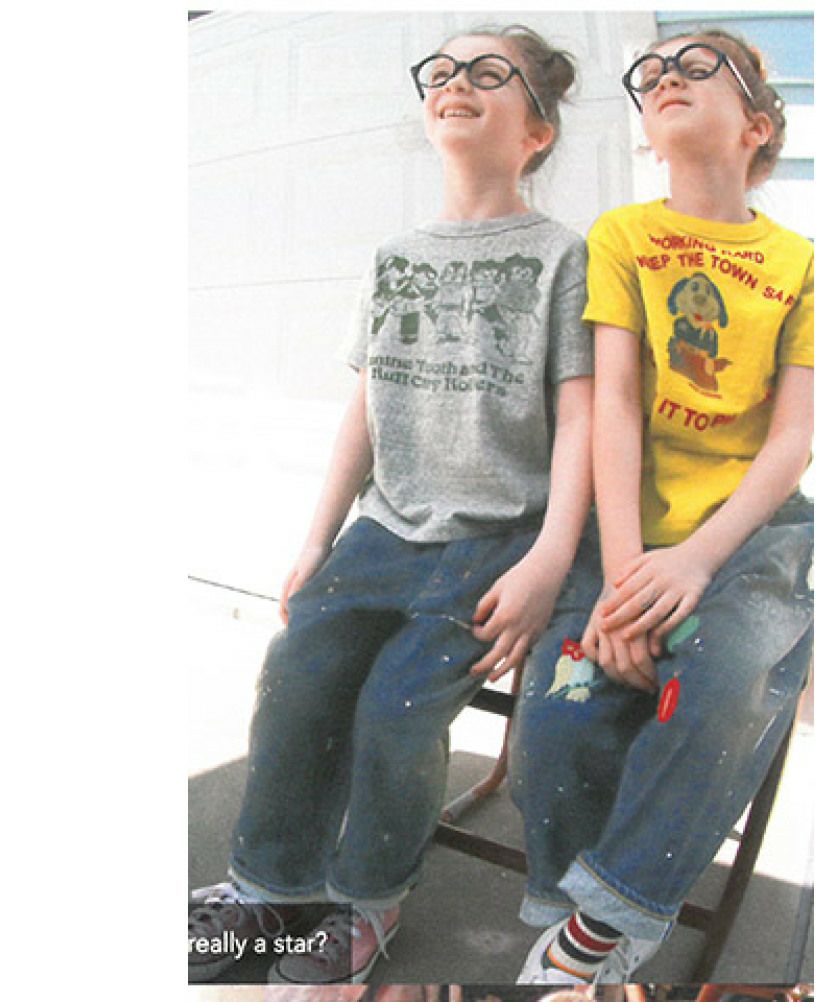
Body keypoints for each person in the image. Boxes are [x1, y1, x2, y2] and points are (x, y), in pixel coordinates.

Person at [188, 25, 593, 986]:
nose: (457, 81)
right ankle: (269, 889)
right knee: (294, 679)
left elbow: (583, 417)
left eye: (489, 73)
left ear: (536, 132)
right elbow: (364, 409)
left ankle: (367, 899)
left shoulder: (562, 255)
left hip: (497, 540)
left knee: (396, 710)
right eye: (442, 70)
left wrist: (549, 560)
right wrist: (315, 540)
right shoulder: (396, 255)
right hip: (383, 531)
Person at [510, 28, 814, 984]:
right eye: (653, 73)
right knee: (557, 713)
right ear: (646, 128)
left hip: (751, 537)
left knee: (721, 692)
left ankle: (600, 930)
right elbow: (613, 404)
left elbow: (793, 439)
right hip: (623, 528)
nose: (666, 76)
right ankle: (571, 909)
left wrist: (695, 560)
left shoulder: (803, 262)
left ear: (757, 126)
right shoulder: (623, 237)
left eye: (697, 66)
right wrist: (625, 575)